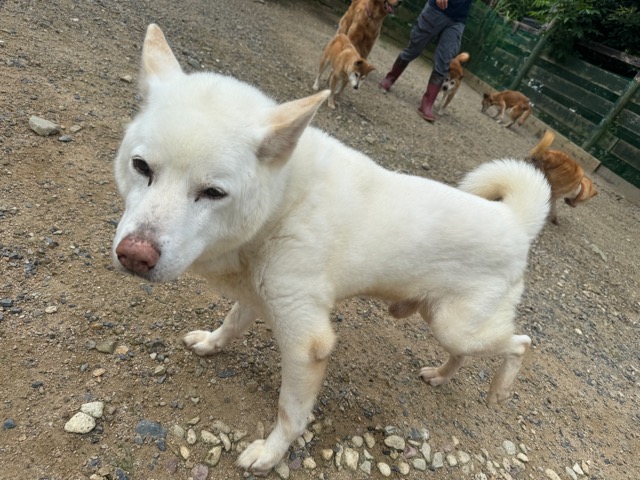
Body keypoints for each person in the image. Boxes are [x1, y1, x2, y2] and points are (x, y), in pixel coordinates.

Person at [379, 0, 473, 122]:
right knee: (414, 49)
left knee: (444, 61)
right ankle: (390, 78)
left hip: (458, 19)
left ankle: (427, 103)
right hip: (436, 9)